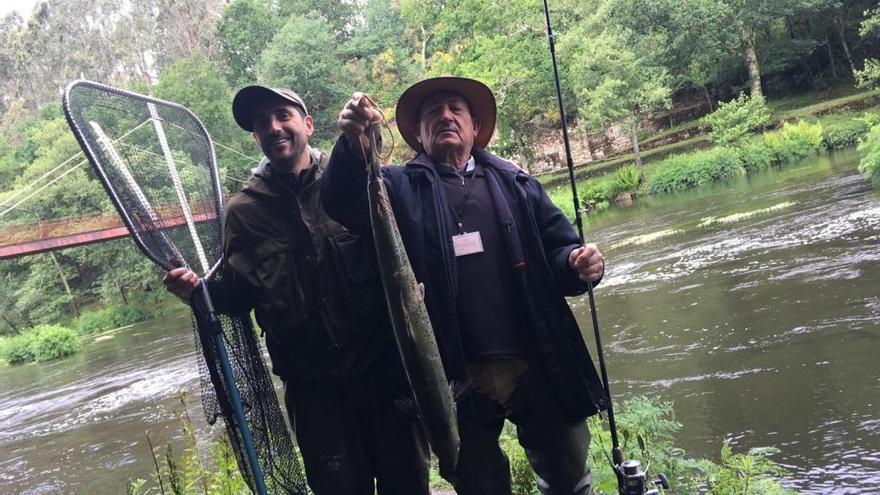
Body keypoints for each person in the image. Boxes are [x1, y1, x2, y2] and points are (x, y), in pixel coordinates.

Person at [321, 76, 608, 495]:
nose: (445, 116)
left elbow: (559, 251)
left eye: (455, 108)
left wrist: (579, 264)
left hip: (535, 359)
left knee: (568, 475)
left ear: (476, 126)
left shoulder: (516, 183)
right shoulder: (398, 187)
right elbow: (343, 201)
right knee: (477, 484)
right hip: (453, 375)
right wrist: (353, 148)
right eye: (432, 112)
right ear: (418, 134)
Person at [162, 86, 429, 495]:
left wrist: (363, 133)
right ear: (255, 137)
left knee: (408, 486)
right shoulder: (243, 212)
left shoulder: (352, 178)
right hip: (315, 396)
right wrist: (198, 292)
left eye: (282, 115)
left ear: (307, 124)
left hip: (386, 380)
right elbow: (235, 296)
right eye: (261, 123)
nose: (274, 127)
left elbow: (407, 239)